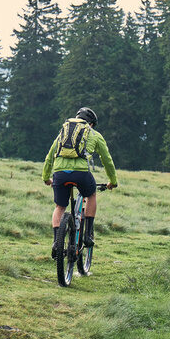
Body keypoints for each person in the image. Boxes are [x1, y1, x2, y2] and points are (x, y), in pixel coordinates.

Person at [42, 107, 117, 258]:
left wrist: (46, 178)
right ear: (91, 123)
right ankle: (87, 235)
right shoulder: (94, 134)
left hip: (60, 174)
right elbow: (106, 159)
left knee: (60, 206)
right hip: (81, 174)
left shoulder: (62, 135)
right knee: (91, 195)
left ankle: (57, 242)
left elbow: (50, 156)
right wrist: (112, 181)